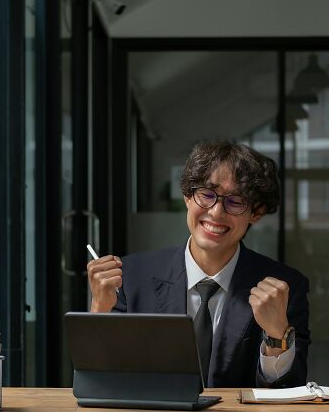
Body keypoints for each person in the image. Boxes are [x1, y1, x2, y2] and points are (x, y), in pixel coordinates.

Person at [87, 141, 310, 388]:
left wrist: (277, 336)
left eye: (235, 201)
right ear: (187, 197)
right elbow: (99, 383)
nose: (216, 212)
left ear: (255, 213)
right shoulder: (128, 278)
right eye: (206, 194)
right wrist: (99, 311)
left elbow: (289, 395)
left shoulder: (286, 289)